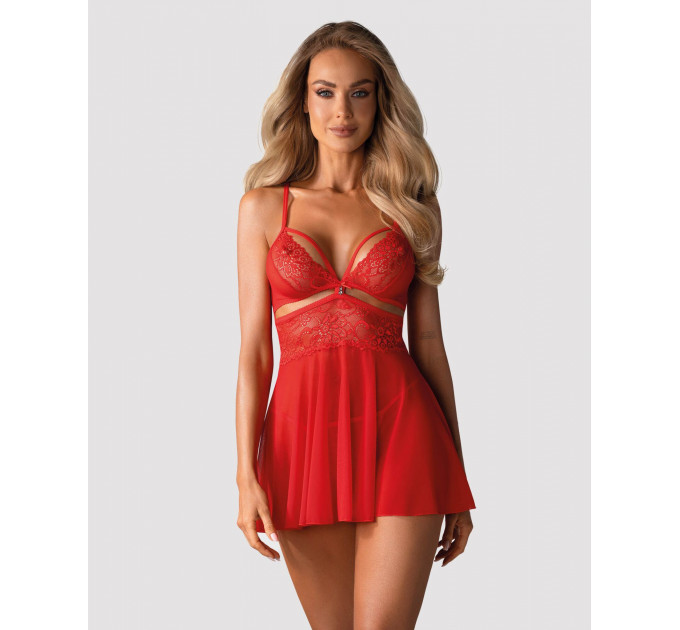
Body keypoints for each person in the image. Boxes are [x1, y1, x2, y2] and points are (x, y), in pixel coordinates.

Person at [235, 21, 477, 629]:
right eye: (325, 92)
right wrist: (245, 475)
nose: (342, 110)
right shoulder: (263, 208)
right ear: (302, 100)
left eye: (359, 92)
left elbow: (429, 344)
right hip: (299, 443)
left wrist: (457, 473)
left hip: (404, 433)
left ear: (379, 100)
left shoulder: (412, 205)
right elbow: (255, 352)